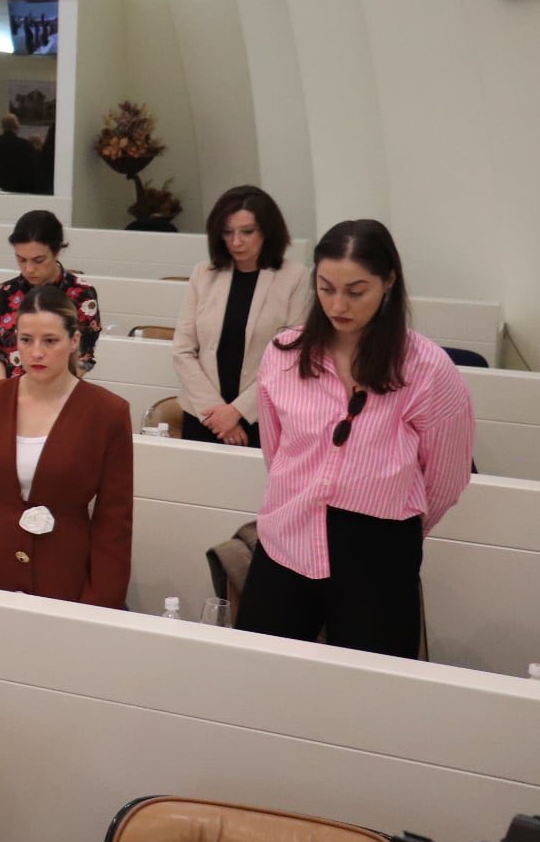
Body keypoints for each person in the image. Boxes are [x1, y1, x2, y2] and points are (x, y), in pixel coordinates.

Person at [236, 220, 475, 658]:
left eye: (356, 291)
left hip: (379, 550)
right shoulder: (285, 355)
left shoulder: (427, 369)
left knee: (373, 687)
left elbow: (446, 478)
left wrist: (396, 531)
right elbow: (277, 452)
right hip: (287, 537)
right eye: (326, 288)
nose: (338, 305)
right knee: (260, 671)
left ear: (388, 282)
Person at [0, 284, 132, 606]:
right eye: (26, 340)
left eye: (50, 341)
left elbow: (114, 523)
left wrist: (100, 605)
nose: (36, 352)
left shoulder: (108, 413)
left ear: (74, 341)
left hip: (64, 576)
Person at [172, 186, 310, 448]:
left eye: (247, 232)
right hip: (203, 414)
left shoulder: (295, 277)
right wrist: (216, 413)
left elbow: (290, 358)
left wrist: (237, 412)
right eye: (227, 232)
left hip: (261, 415)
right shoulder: (203, 273)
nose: (236, 242)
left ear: (267, 231)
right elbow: (183, 350)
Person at [0, 210, 102, 382]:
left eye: (38, 260)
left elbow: (84, 357)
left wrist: (45, 391)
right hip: (9, 387)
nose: (29, 269)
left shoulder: (82, 294)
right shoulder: (6, 292)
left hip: (59, 389)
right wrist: (2, 392)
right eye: (21, 260)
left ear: (56, 251)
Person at [0, 114, 38, 194]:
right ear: (17, 126)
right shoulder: (26, 145)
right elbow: (31, 171)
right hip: (19, 190)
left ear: (2, 127)